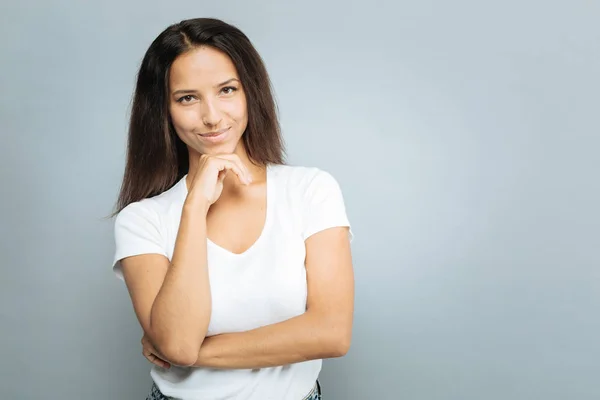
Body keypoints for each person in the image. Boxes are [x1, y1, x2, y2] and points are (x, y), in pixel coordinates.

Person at [111, 17, 354, 400]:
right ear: (163, 110)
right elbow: (177, 341)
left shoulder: (310, 191)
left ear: (249, 93)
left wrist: (191, 354)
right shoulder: (142, 220)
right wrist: (193, 207)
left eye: (226, 90)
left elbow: (332, 333)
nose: (211, 116)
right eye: (187, 98)